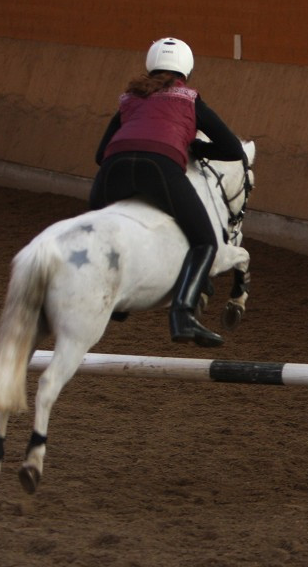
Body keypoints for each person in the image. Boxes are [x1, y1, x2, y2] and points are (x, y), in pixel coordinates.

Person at [91, 37, 247, 348]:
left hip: (112, 172)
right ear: (186, 69)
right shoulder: (190, 99)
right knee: (205, 242)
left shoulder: (129, 99)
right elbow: (233, 150)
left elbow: (100, 154)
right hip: (159, 168)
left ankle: (114, 299)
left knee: (97, 239)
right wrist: (198, 147)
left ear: (150, 64)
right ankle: (183, 314)